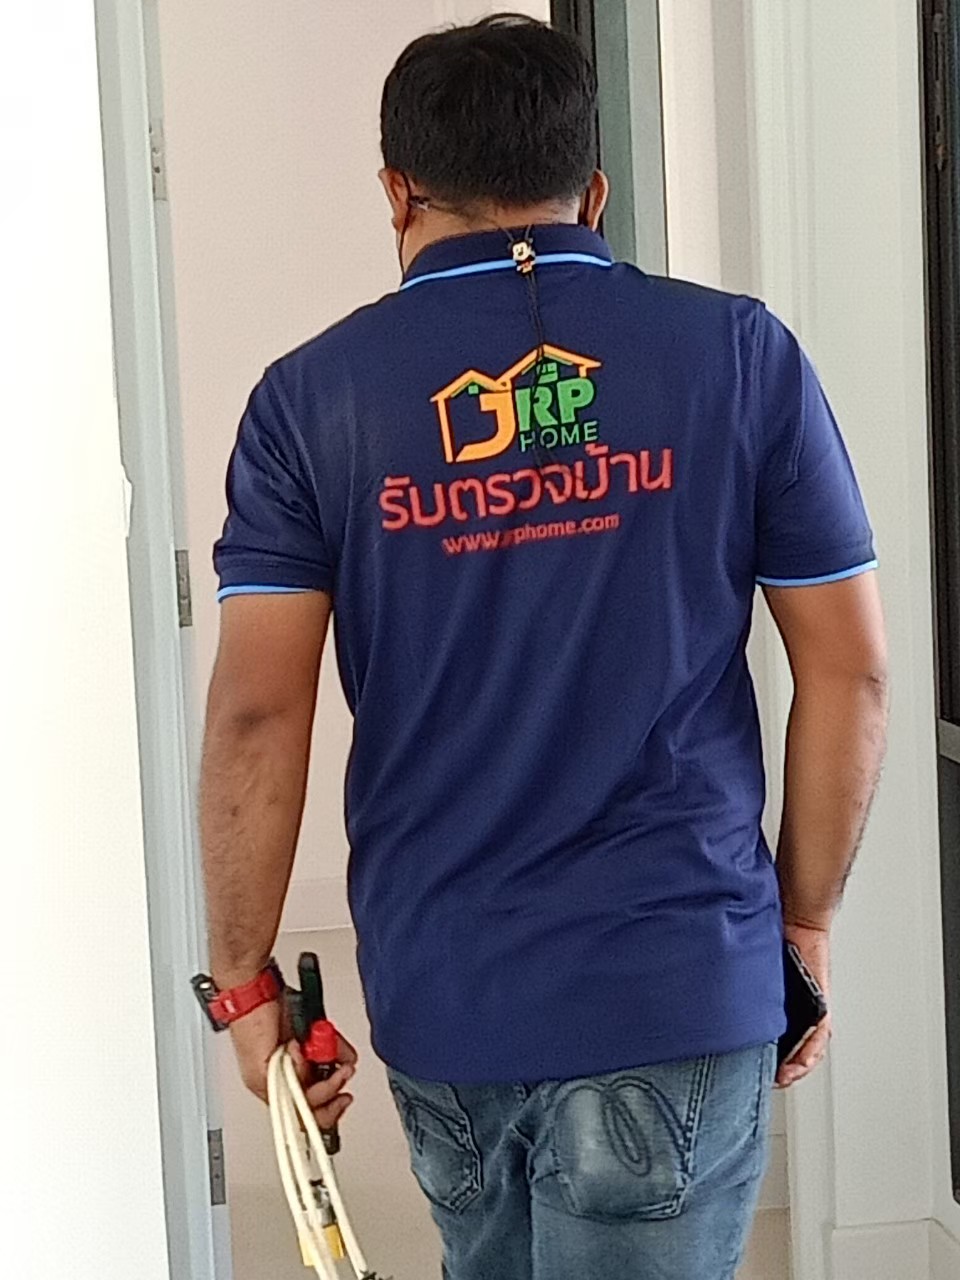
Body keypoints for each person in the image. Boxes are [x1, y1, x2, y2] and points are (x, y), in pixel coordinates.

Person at [198, 14, 889, 1279]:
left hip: (446, 992)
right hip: (678, 975)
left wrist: (244, 982)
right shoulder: (740, 357)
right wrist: (805, 921)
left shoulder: (310, 400)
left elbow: (257, 713)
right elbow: (852, 669)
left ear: (398, 191)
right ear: (596, 190)